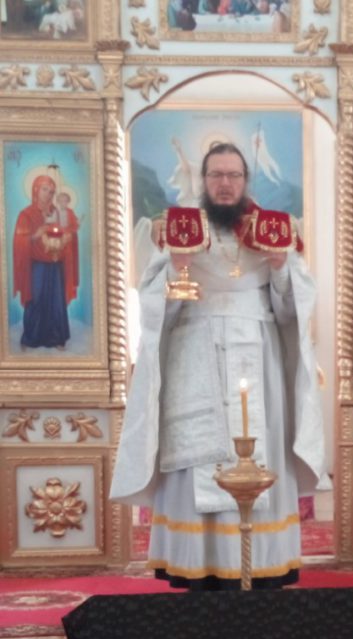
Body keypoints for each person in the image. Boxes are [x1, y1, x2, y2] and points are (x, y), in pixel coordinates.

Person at [110, 142, 325, 589]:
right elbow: (155, 312)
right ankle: (200, 566)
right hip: (196, 359)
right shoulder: (176, 230)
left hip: (259, 360)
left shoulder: (275, 230)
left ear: (246, 181)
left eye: (233, 175)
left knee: (261, 449)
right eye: (216, 175)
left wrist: (280, 265)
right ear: (202, 180)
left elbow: (292, 313)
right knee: (198, 458)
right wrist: (177, 267)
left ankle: (260, 567)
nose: (225, 184)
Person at [12, 174, 79, 350]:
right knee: (35, 298)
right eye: (44, 189)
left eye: (51, 191)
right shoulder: (26, 214)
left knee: (56, 300)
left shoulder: (59, 213)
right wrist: (37, 234)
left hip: (56, 263)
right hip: (37, 265)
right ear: (35, 190)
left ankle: (56, 338)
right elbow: (20, 241)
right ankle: (30, 338)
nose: (48, 194)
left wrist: (67, 236)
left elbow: (69, 230)